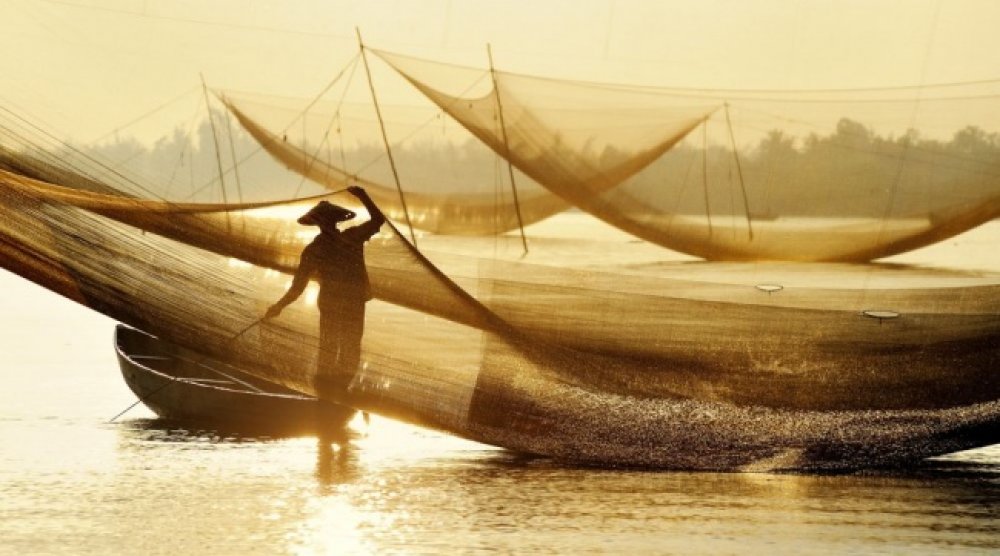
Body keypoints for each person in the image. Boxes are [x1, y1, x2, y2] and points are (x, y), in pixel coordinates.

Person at [263, 186, 385, 396]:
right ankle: (328, 394)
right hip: (337, 302)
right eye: (324, 219)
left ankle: (335, 392)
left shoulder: (351, 237)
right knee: (333, 348)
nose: (327, 223)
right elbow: (298, 286)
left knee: (347, 347)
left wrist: (363, 195)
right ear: (319, 222)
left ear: (334, 220)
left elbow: (378, 220)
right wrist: (279, 306)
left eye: (329, 219)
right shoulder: (321, 248)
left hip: (350, 301)